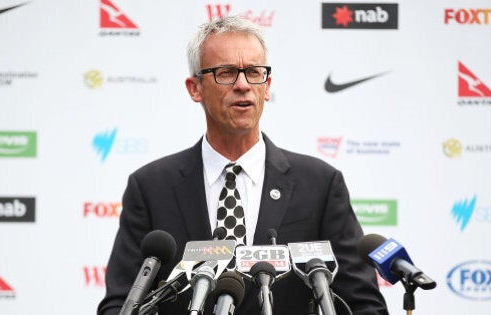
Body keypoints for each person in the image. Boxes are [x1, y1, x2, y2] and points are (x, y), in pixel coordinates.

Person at [97, 15, 388, 315]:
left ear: (267, 86)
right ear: (194, 88)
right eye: (226, 73)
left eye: (253, 72)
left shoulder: (320, 184)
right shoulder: (150, 187)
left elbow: (363, 304)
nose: (243, 85)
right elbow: (120, 303)